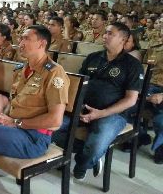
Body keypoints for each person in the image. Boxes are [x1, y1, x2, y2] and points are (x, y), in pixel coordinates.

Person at [0, 25, 70, 194]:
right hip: (14, 131)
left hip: (33, 139)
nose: (21, 42)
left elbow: (55, 121)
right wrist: (2, 117)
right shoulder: (21, 70)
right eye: (21, 38)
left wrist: (15, 122)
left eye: (27, 39)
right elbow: (17, 102)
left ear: (42, 44)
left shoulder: (55, 73)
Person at [54, 22, 144, 181]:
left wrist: (101, 113)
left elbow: (131, 100)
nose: (105, 36)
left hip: (112, 114)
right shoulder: (93, 58)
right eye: (106, 33)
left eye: (110, 34)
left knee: (96, 143)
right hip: (83, 108)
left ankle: (82, 165)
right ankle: (92, 155)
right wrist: (76, 106)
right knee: (52, 127)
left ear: (123, 39)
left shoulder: (132, 65)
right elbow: (79, 85)